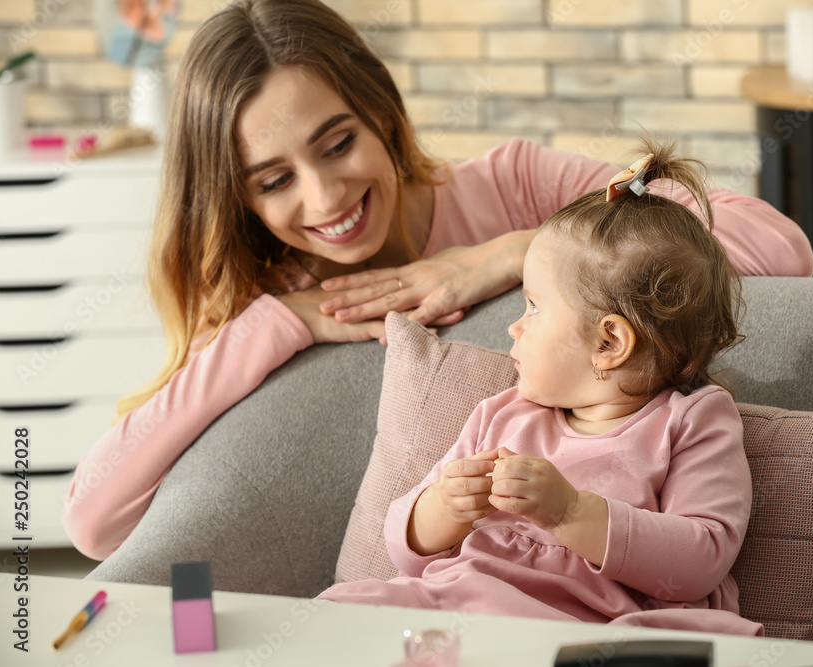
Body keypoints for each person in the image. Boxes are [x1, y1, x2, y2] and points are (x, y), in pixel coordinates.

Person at [63, 0, 813, 561]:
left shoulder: (516, 185)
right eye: (273, 180)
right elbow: (94, 522)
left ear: (382, 114)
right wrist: (279, 319)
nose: (325, 199)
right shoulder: (273, 289)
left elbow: (781, 247)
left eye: (338, 142)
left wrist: (514, 251)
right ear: (238, 198)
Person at [317, 142, 764, 636]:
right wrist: (445, 506)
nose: (514, 327)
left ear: (608, 341)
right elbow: (405, 553)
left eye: (533, 307)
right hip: (463, 602)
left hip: (588, 629)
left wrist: (569, 511)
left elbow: (699, 560)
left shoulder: (692, 421)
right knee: (340, 611)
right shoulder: (502, 413)